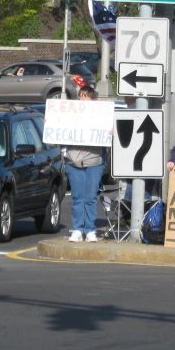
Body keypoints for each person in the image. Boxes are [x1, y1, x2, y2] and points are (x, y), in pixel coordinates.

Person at [66, 86, 108, 243]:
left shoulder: (101, 115)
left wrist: (110, 132)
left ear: (93, 99)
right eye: (80, 96)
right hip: (74, 160)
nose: (82, 99)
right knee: (78, 197)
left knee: (90, 197)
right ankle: (77, 229)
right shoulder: (70, 114)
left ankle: (90, 229)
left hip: (94, 160)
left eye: (86, 96)